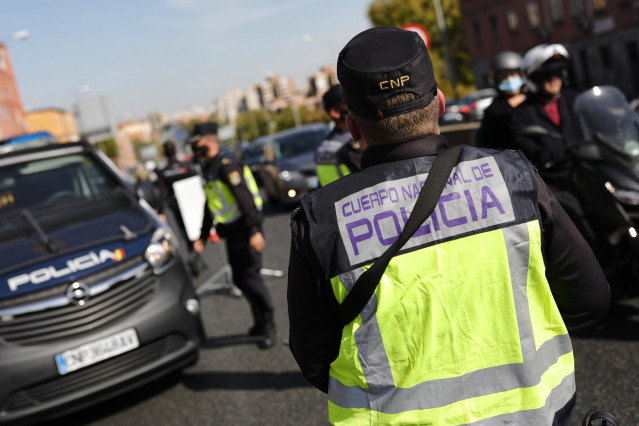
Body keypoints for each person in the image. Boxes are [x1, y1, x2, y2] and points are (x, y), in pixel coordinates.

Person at [287, 27, 610, 425]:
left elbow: (315, 356)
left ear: (353, 128)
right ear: (439, 104)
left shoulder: (320, 218)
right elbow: (590, 298)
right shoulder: (511, 176)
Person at [191, 122, 276, 349]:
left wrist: (254, 230)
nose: (194, 148)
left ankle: (268, 323)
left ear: (209, 141)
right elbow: (211, 206)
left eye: (197, 143)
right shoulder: (210, 167)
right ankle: (259, 321)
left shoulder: (226, 165)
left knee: (251, 277)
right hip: (233, 231)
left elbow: (245, 199)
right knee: (240, 278)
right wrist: (201, 236)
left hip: (246, 228)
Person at [511, 43, 583, 170]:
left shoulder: (575, 100)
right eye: (547, 75)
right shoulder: (522, 112)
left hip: (585, 166)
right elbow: (523, 142)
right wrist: (544, 155)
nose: (554, 79)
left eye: (558, 72)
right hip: (554, 176)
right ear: (535, 79)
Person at [154, 140, 207, 276]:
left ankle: (194, 258)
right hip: (193, 204)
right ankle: (198, 258)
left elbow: (163, 193)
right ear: (176, 151)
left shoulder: (164, 172)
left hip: (176, 206)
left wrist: (160, 211)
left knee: (184, 233)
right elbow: (197, 183)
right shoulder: (186, 166)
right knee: (197, 230)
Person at [315, 84, 362, 186]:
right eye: (349, 102)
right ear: (335, 112)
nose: (355, 105)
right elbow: (374, 179)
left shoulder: (324, 146)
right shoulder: (351, 144)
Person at [477, 51, 526, 150]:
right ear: (496, 80)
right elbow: (488, 143)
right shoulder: (493, 111)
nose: (510, 80)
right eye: (504, 77)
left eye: (513, 75)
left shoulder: (534, 101)